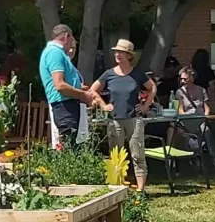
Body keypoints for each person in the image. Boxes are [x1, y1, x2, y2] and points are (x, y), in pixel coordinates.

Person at [88, 38, 157, 192]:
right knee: (116, 155)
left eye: (121, 52)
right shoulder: (109, 74)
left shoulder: (137, 74)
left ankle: (140, 190)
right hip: (115, 120)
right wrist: (103, 105)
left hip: (134, 119)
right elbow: (93, 90)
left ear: (129, 55)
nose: (117, 55)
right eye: (116, 52)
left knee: (137, 154)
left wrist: (146, 106)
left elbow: (152, 87)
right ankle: (117, 188)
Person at [38, 24, 97, 148]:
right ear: (66, 36)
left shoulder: (56, 52)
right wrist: (84, 95)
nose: (71, 45)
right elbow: (59, 85)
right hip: (64, 106)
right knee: (69, 148)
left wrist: (79, 88)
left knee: (72, 147)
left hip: (66, 105)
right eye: (72, 40)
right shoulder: (55, 52)